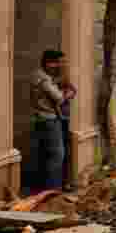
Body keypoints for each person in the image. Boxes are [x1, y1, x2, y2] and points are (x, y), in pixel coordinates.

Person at [25, 50, 76, 194]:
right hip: (48, 119)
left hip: (47, 118)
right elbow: (59, 97)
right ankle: (52, 191)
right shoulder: (43, 78)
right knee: (57, 155)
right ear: (50, 63)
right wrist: (67, 93)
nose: (62, 65)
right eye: (60, 62)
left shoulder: (45, 77)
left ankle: (46, 189)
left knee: (47, 155)